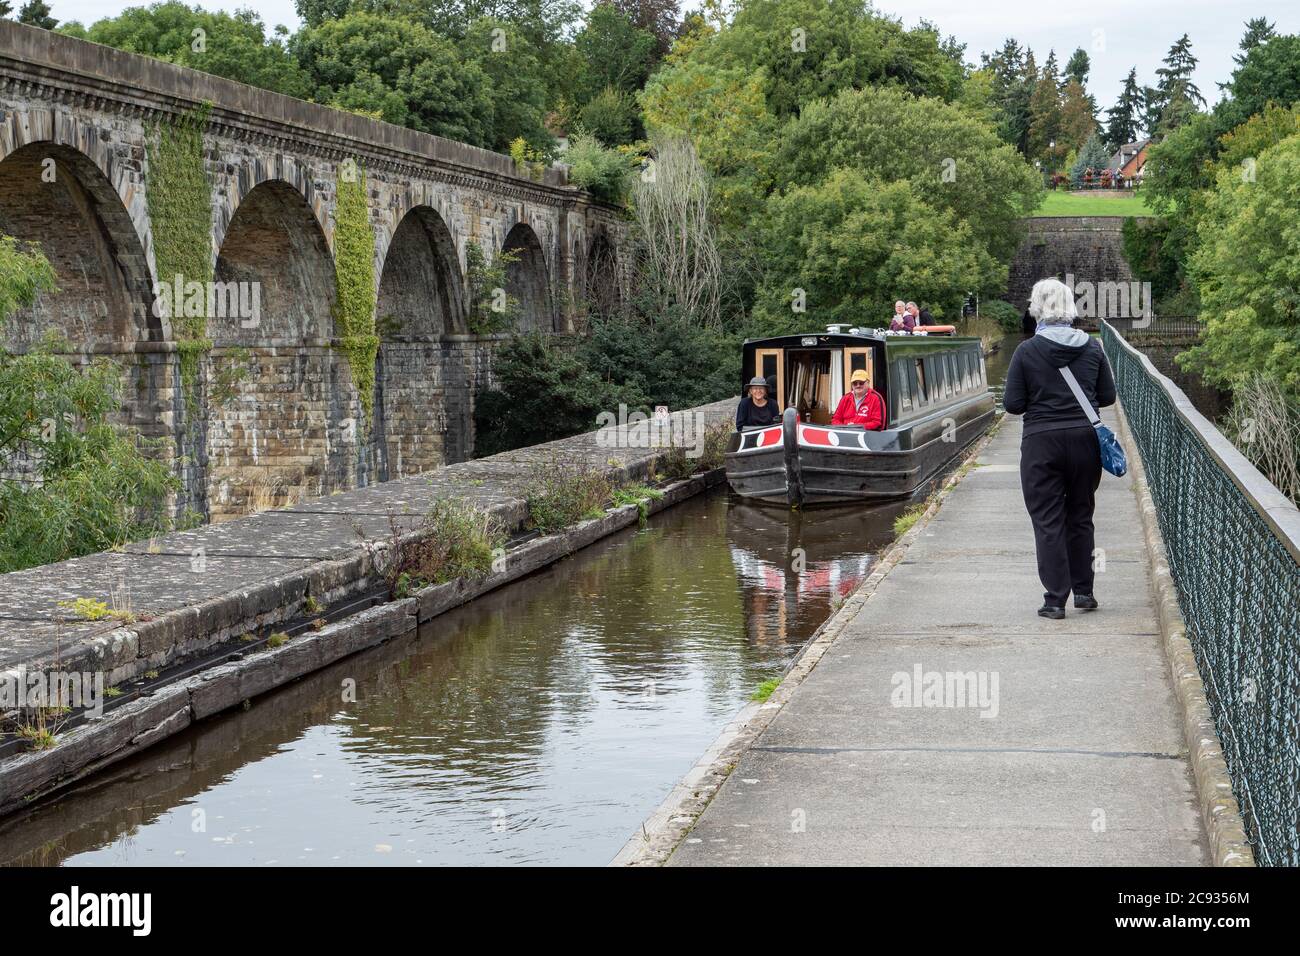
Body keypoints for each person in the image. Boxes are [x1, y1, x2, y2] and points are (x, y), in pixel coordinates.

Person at [1003, 277, 1117, 620]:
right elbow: (1108, 397)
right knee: (1081, 515)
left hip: (1041, 443)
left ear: (1037, 309)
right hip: (1084, 441)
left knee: (1048, 520)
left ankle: (1055, 599)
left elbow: (1012, 404)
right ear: (1071, 308)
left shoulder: (1026, 351)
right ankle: (1084, 592)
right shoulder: (1092, 347)